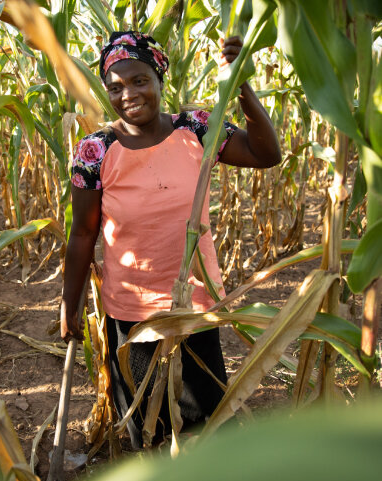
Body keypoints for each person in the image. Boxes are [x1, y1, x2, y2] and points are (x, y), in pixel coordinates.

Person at [61, 31, 281, 449]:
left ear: (159, 78)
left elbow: (265, 154)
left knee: (207, 422)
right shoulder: (95, 149)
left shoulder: (195, 129)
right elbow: (83, 233)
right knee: (148, 425)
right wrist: (69, 304)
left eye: (140, 80)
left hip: (193, 302)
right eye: (116, 86)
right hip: (131, 313)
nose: (129, 94)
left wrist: (242, 85)